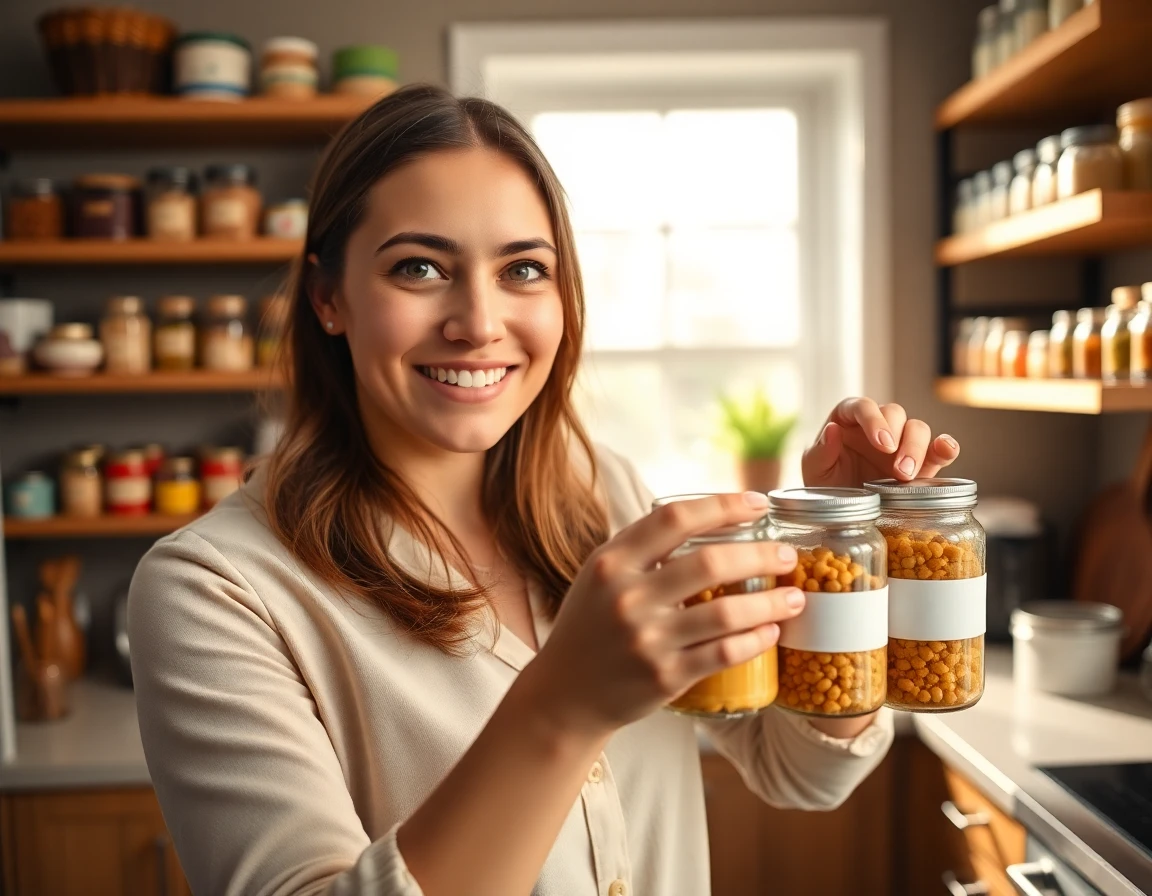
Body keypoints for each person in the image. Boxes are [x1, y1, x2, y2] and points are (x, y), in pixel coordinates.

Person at [129, 83, 960, 896]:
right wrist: (561, 707)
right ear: (328, 298)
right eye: (419, 267)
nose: (479, 322)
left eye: (523, 269)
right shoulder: (214, 590)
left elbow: (799, 772)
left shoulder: (612, 495)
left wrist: (839, 560)